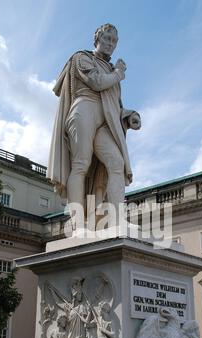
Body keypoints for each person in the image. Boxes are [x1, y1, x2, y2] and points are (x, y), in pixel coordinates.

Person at [47, 23, 141, 228]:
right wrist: (118, 73)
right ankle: (78, 224)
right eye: (106, 38)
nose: (110, 43)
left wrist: (129, 115)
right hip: (84, 109)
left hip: (107, 120)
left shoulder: (110, 69)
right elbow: (97, 82)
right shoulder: (82, 58)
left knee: (117, 163)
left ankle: (117, 221)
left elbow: (113, 105)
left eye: (114, 40)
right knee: (81, 163)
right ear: (97, 38)